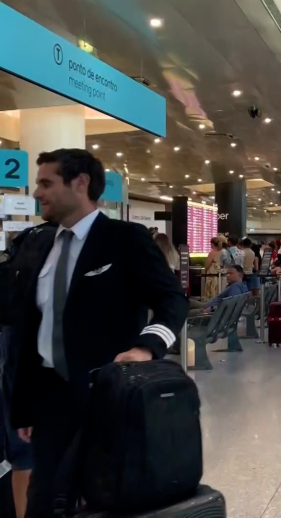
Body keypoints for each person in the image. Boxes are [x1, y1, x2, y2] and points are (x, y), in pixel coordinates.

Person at [6, 148, 186, 517]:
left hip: (107, 397)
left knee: (106, 498)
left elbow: (172, 301)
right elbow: (29, 327)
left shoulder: (124, 240)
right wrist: (23, 407)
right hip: (50, 399)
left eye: (46, 183)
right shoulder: (37, 243)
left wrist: (147, 347)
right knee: (43, 501)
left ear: (81, 183)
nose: (37, 193)